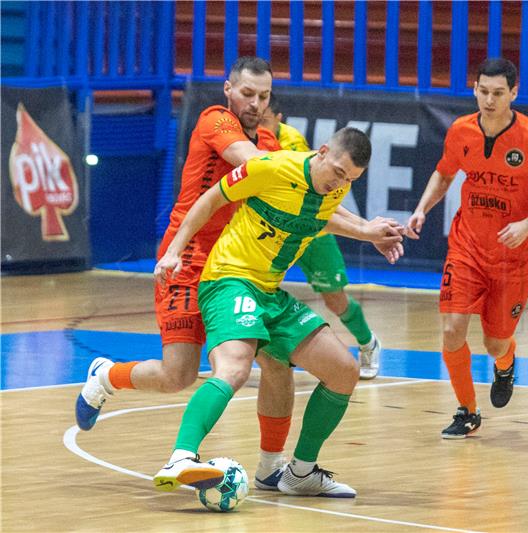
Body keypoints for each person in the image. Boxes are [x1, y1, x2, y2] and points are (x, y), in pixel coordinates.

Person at [151, 127, 404, 497]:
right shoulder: (270, 168)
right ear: (321, 152)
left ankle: (299, 473)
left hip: (269, 291)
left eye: (350, 179)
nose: (341, 182)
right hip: (230, 279)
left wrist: (368, 232)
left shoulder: (335, 188)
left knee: (344, 370)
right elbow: (211, 199)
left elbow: (320, 216)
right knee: (235, 367)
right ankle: (181, 457)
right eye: (338, 171)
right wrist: (174, 250)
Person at [74, 56, 292, 450]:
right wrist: (304, 169)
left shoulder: (273, 144)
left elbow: (295, 193)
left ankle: (272, 466)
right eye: (247, 93)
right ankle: (106, 377)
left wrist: (363, 228)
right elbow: (257, 166)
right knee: (178, 375)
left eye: (264, 96)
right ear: (228, 90)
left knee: (273, 362)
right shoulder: (216, 121)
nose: (255, 104)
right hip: (187, 259)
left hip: (235, 270)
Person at [406, 58, 528, 439]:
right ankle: (467, 411)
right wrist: (421, 209)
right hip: (466, 246)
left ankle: (505, 362)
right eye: (483, 91)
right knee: (452, 330)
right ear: (475, 89)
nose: (489, 99)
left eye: (498, 93)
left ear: (514, 93)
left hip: (514, 256)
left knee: (495, 340)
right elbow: (445, 172)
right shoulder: (461, 131)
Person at [259, 93, 382, 380]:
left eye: (265, 120)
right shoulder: (248, 139)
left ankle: (368, 343)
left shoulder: (292, 143)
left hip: (313, 233)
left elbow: (318, 198)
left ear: (278, 118)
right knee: (252, 285)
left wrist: (362, 227)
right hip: (279, 229)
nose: (260, 125)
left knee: (334, 300)